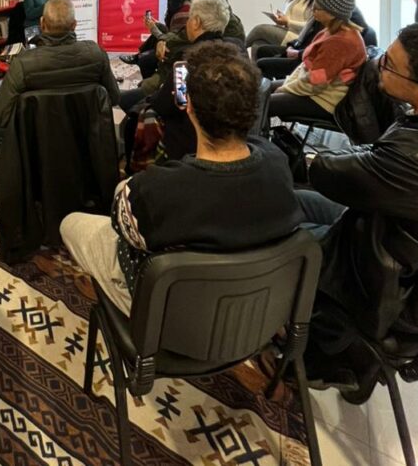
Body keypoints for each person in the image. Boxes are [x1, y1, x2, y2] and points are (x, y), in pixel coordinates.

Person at [60, 41, 303, 315]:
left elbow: (124, 230)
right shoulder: (278, 165)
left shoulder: (155, 190)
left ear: (189, 108)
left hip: (177, 319)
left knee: (72, 224)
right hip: (254, 313)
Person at [296, 23, 418, 387]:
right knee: (295, 201)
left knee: (276, 240)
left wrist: (307, 159)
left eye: (389, 64)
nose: (377, 64)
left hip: (376, 274)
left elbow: (331, 172)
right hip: (384, 232)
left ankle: (313, 359)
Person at [0, 0, 120, 151]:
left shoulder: (23, 63)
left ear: (42, 24)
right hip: (83, 137)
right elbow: (114, 97)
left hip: (37, 140)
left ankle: (2, 159)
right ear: (75, 25)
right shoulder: (96, 54)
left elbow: (0, 116)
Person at [268, 0, 366, 125]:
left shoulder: (340, 42)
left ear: (332, 13)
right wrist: (287, 86)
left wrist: (285, 89)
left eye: (317, 8)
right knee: (262, 89)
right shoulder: (330, 31)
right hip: (316, 89)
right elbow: (305, 68)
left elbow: (316, 83)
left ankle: (248, 142)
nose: (313, 11)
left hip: (325, 100)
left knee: (262, 103)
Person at [256, 0, 376, 80]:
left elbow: (325, 50)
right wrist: (293, 46)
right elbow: (310, 35)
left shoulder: (341, 14)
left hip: (310, 60)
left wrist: (299, 53)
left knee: (261, 51)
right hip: (303, 49)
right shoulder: (325, 7)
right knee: (262, 50)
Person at [119, 0, 229, 112]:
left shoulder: (187, 62)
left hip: (182, 123)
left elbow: (168, 102)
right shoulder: (229, 50)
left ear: (196, 22)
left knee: (126, 103)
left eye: (189, 18)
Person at [119, 0, 191, 77]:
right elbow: (172, 32)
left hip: (178, 49)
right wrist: (156, 25)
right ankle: (138, 57)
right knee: (158, 27)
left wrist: (153, 28)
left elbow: (173, 40)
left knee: (144, 59)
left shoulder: (183, 12)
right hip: (176, 41)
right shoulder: (179, 5)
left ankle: (150, 81)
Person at [246, 0, 319, 57]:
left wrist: (288, 22)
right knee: (258, 44)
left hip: (298, 36)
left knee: (259, 29)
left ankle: (236, 51)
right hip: (287, 30)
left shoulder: (314, 0)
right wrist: (282, 17)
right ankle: (254, 70)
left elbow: (310, 27)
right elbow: (291, 15)